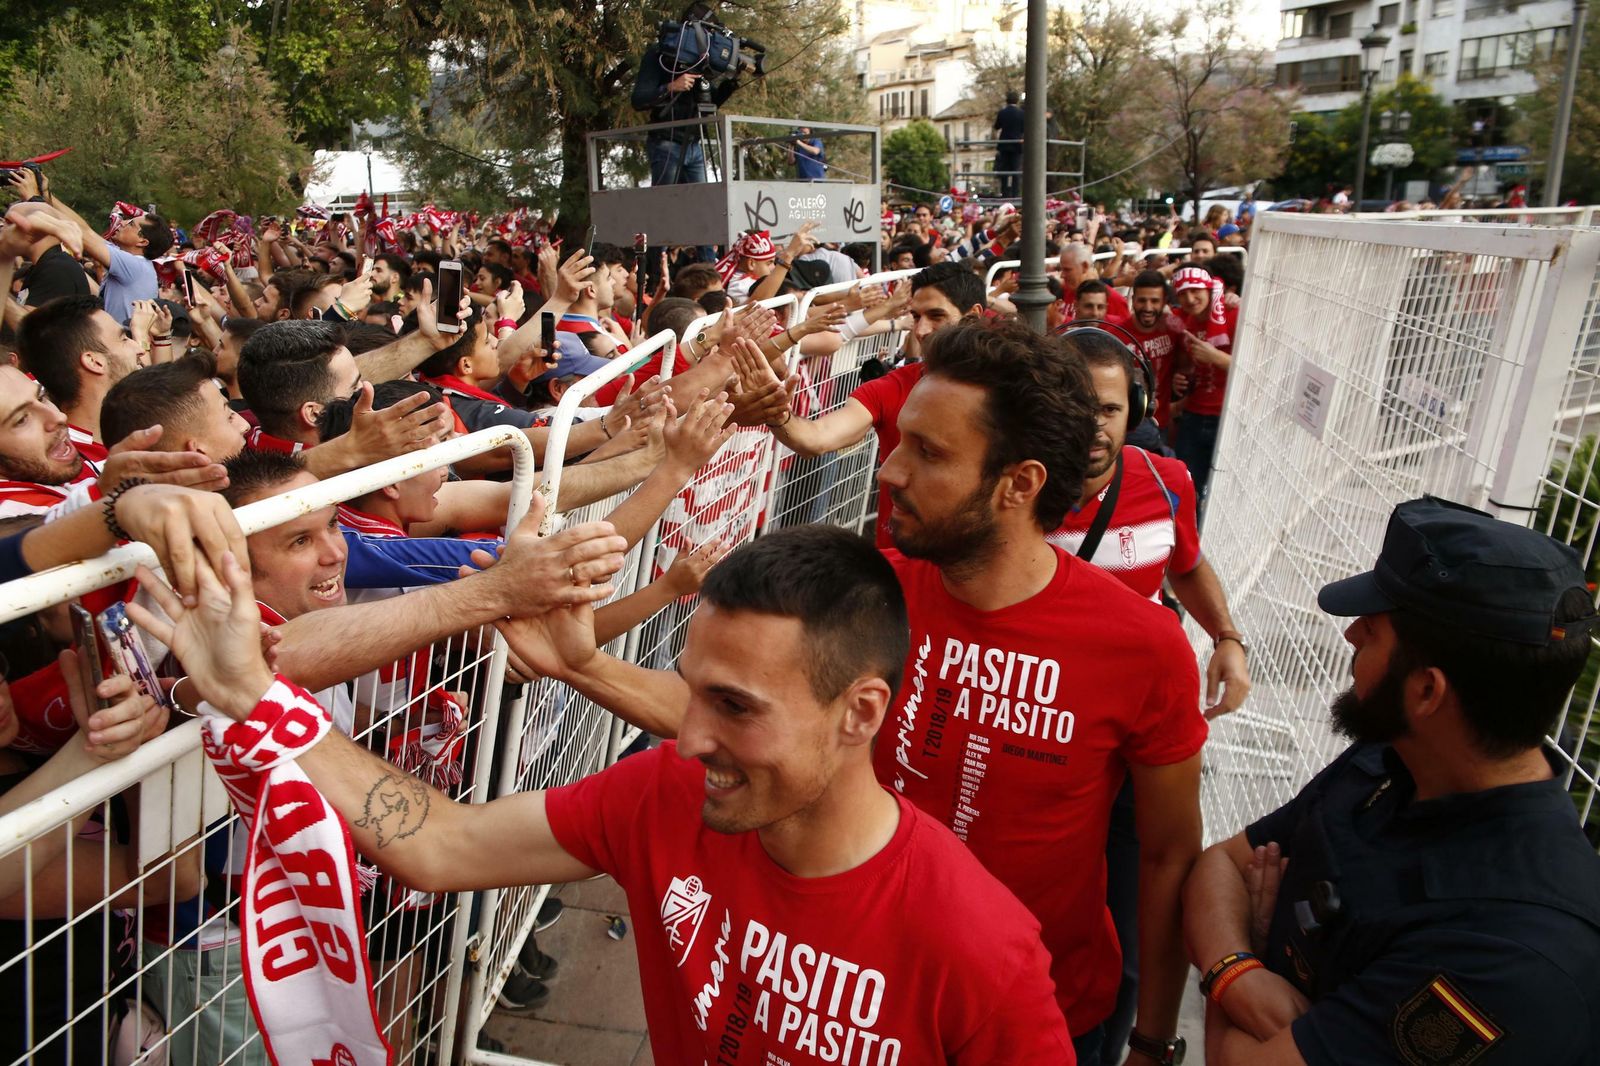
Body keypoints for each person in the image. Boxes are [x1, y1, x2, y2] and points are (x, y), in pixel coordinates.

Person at [134, 525, 1078, 1064]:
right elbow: (442, 845)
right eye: (693, 691)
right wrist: (260, 696)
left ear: (860, 711)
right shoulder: (667, 795)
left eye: (735, 707)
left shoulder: (979, 952)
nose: (689, 736)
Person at [1184, 496, 1600, 1065]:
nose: (1351, 635)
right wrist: (1237, 974)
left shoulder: (1510, 947)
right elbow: (1219, 866)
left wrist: (1252, 943)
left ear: (1426, 691)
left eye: (1374, 631)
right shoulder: (1395, 760)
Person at [1051, 327, 1252, 1064]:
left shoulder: (1167, 482)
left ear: (1134, 409)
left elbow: (1186, 564)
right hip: (1045, 747)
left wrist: (1227, 635)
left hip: (1138, 747)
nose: (1092, 426)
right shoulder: (1008, 484)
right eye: (1073, 407)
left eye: (1108, 409)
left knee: (1133, 928)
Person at [754, 262, 988, 547]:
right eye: (916, 316)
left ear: (972, 317)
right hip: (897, 562)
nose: (921, 330)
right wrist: (776, 412)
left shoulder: (1007, 386)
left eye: (936, 316)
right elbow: (816, 438)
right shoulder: (893, 386)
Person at [14, 294, 150, 465]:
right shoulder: (69, 467)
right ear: (94, 362)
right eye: (124, 339)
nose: (140, 349)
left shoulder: (136, 426)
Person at [1171, 265, 1234, 505]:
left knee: (1223, 494)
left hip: (1227, 415)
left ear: (1209, 289)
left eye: (1195, 291)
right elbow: (1186, 365)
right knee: (1186, 487)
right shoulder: (1182, 321)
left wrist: (1215, 357)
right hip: (1194, 414)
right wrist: (1180, 376)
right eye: (1183, 293)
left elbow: (1254, 369)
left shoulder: (1234, 314)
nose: (1189, 299)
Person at [992, 91, 1025, 200]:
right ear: (1017, 100)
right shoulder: (1022, 113)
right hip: (1017, 145)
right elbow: (1024, 128)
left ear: (1007, 101)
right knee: (1016, 171)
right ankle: (1016, 194)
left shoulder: (1002, 112)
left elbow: (997, 126)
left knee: (1004, 171)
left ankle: (1005, 193)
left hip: (1004, 145)